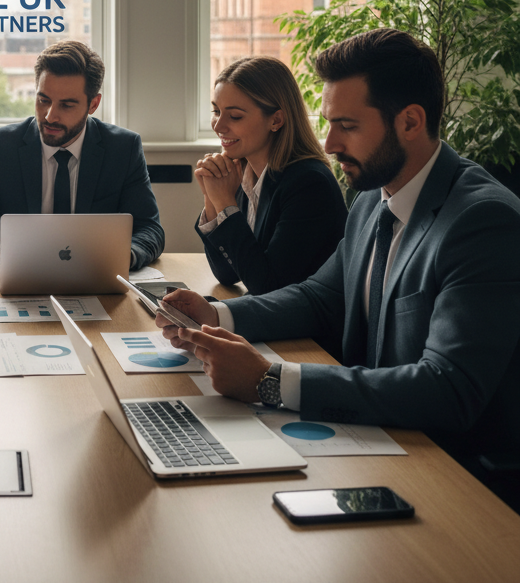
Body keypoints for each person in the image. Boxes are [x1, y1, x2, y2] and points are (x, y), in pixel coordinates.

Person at [156, 29, 520, 474]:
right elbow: (320, 296)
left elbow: (448, 389)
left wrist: (269, 380)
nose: (329, 144)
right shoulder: (372, 197)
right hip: (372, 437)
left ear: (409, 122)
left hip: (450, 468)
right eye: (329, 123)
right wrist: (216, 316)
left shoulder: (482, 221)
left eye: (347, 126)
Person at [0, 40, 164, 272]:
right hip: (19, 280)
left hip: (95, 280)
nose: (50, 116)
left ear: (93, 104)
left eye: (66, 105)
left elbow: (149, 229)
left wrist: (122, 257)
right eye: (43, 100)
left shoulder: (123, 149)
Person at [194, 56, 346, 294]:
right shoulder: (245, 173)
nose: (218, 125)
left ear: (276, 120)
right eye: (216, 111)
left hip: (306, 330)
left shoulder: (308, 184)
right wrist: (212, 201)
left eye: (234, 116)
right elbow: (228, 273)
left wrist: (225, 204)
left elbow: (269, 287)